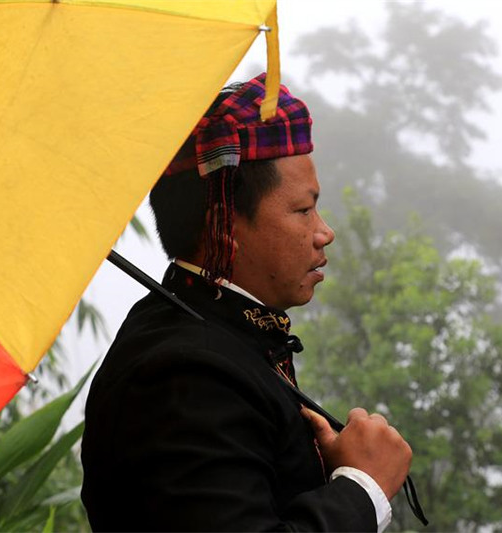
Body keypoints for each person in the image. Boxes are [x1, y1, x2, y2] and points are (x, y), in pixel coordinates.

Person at [81, 73, 413, 532]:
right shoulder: (185, 374)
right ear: (225, 226)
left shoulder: (223, 335)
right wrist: (362, 488)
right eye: (303, 210)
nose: (324, 232)